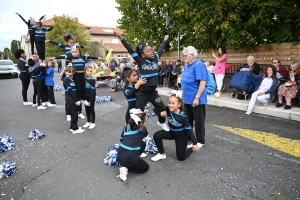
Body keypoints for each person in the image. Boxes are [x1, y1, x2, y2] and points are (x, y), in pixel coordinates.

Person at [114, 31, 170, 131]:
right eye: (148, 51)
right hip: (142, 93)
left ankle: (161, 122)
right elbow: (130, 50)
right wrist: (122, 39)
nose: (152, 51)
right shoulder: (141, 61)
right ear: (143, 55)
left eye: (152, 50)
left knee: (163, 109)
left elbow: (160, 50)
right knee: (138, 113)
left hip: (153, 93)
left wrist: (164, 41)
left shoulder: (155, 60)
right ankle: (135, 130)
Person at [51, 44, 101, 119]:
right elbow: (62, 57)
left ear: (79, 52)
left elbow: (90, 57)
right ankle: (72, 108)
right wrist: (55, 57)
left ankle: (83, 100)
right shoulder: (71, 57)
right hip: (76, 75)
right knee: (78, 89)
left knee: (83, 88)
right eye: (73, 52)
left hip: (82, 75)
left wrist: (98, 58)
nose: (74, 53)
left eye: (75, 52)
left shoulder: (82, 57)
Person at [151, 93, 200, 162]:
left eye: (173, 103)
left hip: (181, 137)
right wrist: (160, 114)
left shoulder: (183, 116)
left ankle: (191, 148)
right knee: (156, 135)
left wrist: (195, 143)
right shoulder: (168, 109)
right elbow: (155, 109)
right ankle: (161, 154)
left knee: (181, 157)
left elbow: (189, 130)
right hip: (171, 133)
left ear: (179, 105)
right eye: (169, 103)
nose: (170, 105)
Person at [181, 46, 207, 148]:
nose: (184, 58)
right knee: (188, 119)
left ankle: (200, 140)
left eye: (185, 56)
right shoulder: (187, 65)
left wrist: (197, 97)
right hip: (187, 97)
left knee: (198, 120)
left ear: (192, 55)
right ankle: (189, 136)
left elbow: (202, 82)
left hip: (196, 98)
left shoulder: (198, 64)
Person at [118, 108, 149, 181]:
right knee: (145, 167)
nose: (146, 123)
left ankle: (131, 160)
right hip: (129, 159)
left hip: (120, 155)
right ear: (141, 123)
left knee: (142, 144)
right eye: (145, 121)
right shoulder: (142, 130)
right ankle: (126, 168)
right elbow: (146, 135)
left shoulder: (126, 126)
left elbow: (121, 139)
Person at [63, 66, 85, 134]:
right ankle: (75, 128)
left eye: (71, 72)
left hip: (74, 98)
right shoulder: (66, 80)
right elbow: (70, 91)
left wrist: (79, 98)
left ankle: (72, 127)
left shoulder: (73, 79)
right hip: (71, 99)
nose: (69, 73)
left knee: (74, 113)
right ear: (65, 72)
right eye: (68, 72)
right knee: (74, 114)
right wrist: (76, 100)